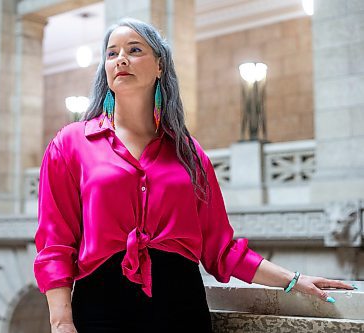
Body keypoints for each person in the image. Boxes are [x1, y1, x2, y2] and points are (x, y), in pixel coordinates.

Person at [34, 18, 354, 333]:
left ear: (160, 65)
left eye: (134, 50)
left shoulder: (188, 152)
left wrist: (293, 280)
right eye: (112, 53)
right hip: (101, 309)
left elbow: (221, 249)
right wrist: (61, 322)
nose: (121, 60)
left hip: (180, 309)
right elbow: (56, 243)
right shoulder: (71, 143)